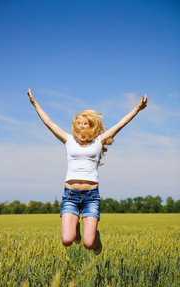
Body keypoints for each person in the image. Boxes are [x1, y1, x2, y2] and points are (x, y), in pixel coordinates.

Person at [27, 88, 147, 255]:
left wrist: (137, 108)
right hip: (70, 195)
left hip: (91, 196)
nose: (81, 124)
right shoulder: (68, 140)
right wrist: (35, 104)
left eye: (85, 122)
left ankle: (95, 237)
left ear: (91, 125)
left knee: (89, 244)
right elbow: (49, 122)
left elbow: (120, 124)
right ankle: (75, 226)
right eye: (78, 122)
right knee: (67, 241)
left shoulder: (99, 141)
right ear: (74, 125)